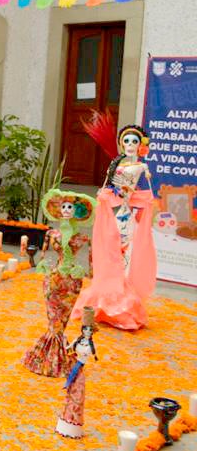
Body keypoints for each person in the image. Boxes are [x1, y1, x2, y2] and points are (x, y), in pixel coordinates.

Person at [72, 125, 156, 330]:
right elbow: (109, 189)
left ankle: (120, 306)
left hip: (126, 215)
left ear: (141, 145)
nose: (129, 145)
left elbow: (136, 193)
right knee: (111, 255)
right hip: (116, 214)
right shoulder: (117, 165)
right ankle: (107, 304)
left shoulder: (139, 168)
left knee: (123, 257)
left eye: (134, 142)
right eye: (126, 141)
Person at [23, 190, 94, 377]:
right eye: (63, 206)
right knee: (53, 318)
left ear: (77, 211)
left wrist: (88, 272)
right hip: (53, 277)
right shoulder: (51, 233)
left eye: (70, 207)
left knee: (62, 319)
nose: (66, 210)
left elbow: (91, 259)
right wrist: (42, 264)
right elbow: (43, 255)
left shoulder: (82, 237)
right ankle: (48, 355)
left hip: (72, 281)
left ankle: (55, 356)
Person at [57, 307, 98, 439]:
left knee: (77, 387)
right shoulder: (78, 340)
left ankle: (73, 421)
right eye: (85, 329)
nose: (87, 331)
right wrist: (66, 347)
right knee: (73, 389)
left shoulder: (90, 345)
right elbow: (69, 348)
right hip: (75, 362)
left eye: (89, 329)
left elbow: (90, 354)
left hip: (80, 366)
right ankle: (67, 418)